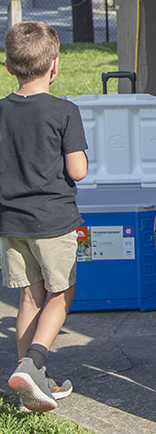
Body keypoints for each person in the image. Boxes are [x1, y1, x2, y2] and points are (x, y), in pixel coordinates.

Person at [0, 21, 87, 412]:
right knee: (61, 292)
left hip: (11, 222)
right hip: (52, 219)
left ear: (8, 66)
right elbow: (78, 170)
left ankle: (29, 383)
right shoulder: (64, 111)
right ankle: (33, 366)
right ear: (55, 66)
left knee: (29, 297)